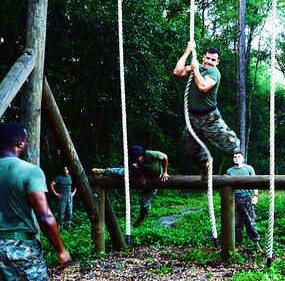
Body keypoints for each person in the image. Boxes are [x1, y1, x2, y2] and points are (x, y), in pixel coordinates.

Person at [0, 122, 72, 281]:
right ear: (19, 143)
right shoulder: (29, 171)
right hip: (21, 249)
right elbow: (44, 214)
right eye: (26, 141)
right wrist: (61, 250)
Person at [174, 41, 240, 174]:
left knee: (232, 145)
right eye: (208, 58)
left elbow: (203, 87)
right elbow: (178, 71)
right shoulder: (196, 67)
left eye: (213, 60)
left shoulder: (214, 73)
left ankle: (240, 165)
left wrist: (196, 70)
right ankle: (205, 162)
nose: (209, 61)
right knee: (189, 150)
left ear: (217, 62)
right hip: (192, 118)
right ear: (203, 57)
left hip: (209, 118)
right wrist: (187, 51)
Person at [92, 146, 169, 227]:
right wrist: (140, 174)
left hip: (155, 177)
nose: (137, 161)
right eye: (135, 159)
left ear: (142, 155)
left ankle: (142, 217)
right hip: (142, 173)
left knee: (145, 203)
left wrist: (165, 172)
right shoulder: (134, 160)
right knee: (122, 172)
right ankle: (104, 171)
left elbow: (165, 157)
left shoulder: (151, 154)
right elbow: (130, 164)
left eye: (138, 158)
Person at [226, 151, 261, 248]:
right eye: (235, 157)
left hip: (246, 198)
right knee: (237, 223)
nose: (236, 158)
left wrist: (255, 195)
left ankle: (256, 243)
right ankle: (239, 243)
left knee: (250, 221)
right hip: (234, 199)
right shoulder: (229, 171)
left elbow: (255, 183)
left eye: (238, 157)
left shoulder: (249, 168)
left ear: (242, 159)